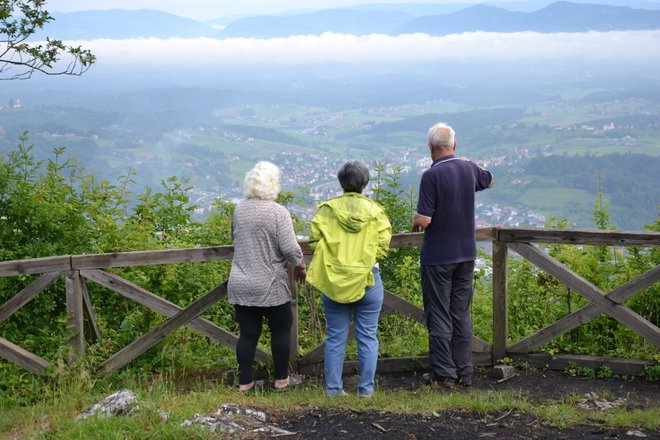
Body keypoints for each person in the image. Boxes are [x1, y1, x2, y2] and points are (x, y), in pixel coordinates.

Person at [411, 122, 494, 390]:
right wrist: (472, 163)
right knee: (460, 313)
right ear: (454, 145)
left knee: (439, 314)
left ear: (430, 148)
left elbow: (424, 220)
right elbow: (489, 178)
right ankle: (465, 372)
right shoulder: (468, 169)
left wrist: (415, 220)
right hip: (466, 254)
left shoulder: (431, 176)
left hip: (438, 256)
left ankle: (444, 374)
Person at [307, 160, 392, 397]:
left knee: (335, 337)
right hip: (368, 280)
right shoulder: (376, 212)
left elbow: (314, 243)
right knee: (368, 336)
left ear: (341, 182)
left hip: (334, 280)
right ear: (365, 183)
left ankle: (333, 390)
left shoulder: (326, 210)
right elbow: (383, 248)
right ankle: (366, 390)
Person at [227, 161, 307, 393]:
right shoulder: (278, 212)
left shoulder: (239, 210)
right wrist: (300, 267)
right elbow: (290, 249)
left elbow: (235, 238)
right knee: (281, 330)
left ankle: (245, 382)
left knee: (248, 334)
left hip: (241, 282)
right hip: (271, 284)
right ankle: (281, 380)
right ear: (273, 185)